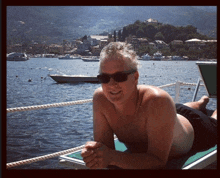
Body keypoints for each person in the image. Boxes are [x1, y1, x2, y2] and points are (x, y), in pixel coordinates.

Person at [81, 42, 217, 169]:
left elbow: (157, 161)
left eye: (120, 77)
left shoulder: (157, 101)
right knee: (181, 109)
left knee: (215, 120)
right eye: (104, 78)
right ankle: (201, 102)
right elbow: (105, 151)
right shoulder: (101, 99)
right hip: (171, 115)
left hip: (197, 128)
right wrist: (94, 154)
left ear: (135, 77)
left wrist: (110, 157)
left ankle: (205, 106)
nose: (111, 85)